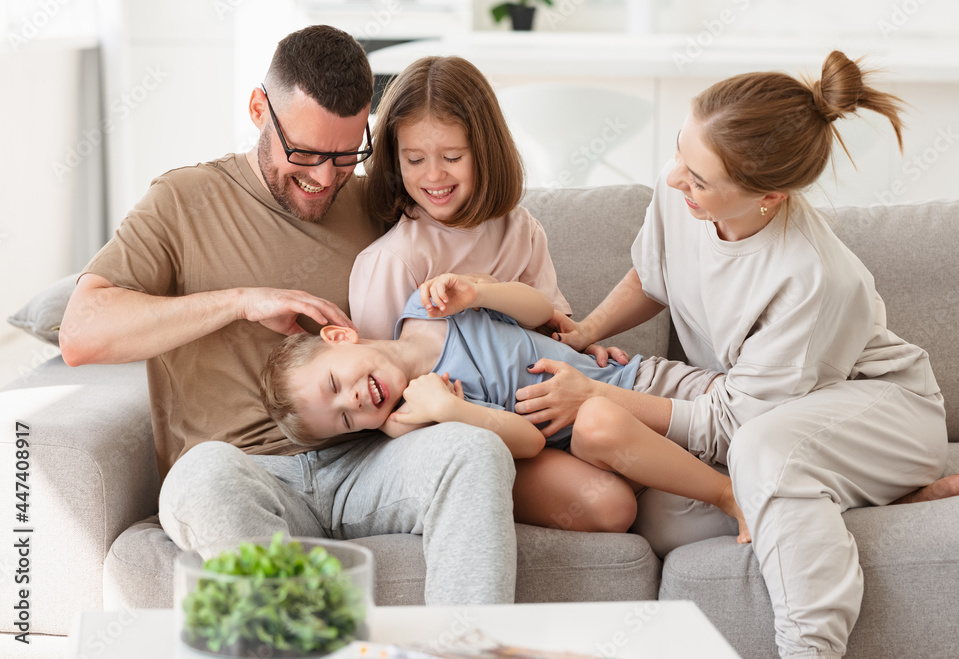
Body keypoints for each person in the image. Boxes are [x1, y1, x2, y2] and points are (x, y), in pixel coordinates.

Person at [510, 51, 959, 657]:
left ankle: (810, 648)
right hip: (772, 412)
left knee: (765, 452)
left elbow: (732, 425)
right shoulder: (680, 194)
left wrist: (597, 394)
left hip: (880, 411)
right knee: (662, 515)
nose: (673, 180)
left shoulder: (812, 277)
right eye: (681, 154)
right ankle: (859, 500)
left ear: (769, 194)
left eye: (698, 178)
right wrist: (581, 336)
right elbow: (653, 277)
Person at [58, 25, 518, 606]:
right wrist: (239, 302)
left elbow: (477, 277)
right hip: (245, 474)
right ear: (258, 109)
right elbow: (82, 333)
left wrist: (577, 340)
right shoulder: (183, 202)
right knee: (202, 478)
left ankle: (469, 646)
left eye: (346, 155)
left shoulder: (377, 202)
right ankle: (297, 638)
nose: (325, 178)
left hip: (368, 463)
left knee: (474, 452)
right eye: (305, 153)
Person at [259, 273, 748, 538]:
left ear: (340, 336)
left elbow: (542, 314)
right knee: (597, 423)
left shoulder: (429, 306)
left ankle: (732, 482)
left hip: (628, 383)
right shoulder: (411, 414)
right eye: (346, 418)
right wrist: (452, 412)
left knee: (753, 418)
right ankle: (727, 494)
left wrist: (480, 292)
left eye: (334, 383)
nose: (356, 399)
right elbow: (529, 441)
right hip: (595, 445)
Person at [349, 55, 570, 341]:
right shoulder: (393, 260)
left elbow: (556, 332)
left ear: (486, 150)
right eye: (415, 160)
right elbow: (374, 367)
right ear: (396, 158)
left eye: (452, 157)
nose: (434, 175)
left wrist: (585, 347)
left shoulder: (522, 231)